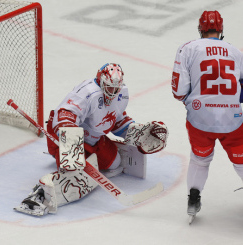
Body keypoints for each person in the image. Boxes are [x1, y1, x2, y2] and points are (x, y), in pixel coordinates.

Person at [15, 63, 168, 216]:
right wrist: (71, 142)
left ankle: (84, 165)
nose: (112, 92)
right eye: (109, 87)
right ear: (101, 81)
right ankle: (40, 195)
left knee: (114, 163)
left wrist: (139, 134)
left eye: (116, 88)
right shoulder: (87, 93)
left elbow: (117, 122)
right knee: (78, 180)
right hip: (65, 137)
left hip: (93, 139)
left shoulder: (121, 93)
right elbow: (64, 116)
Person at [171, 10, 243, 222]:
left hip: (200, 118)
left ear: (200, 28)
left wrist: (193, 101)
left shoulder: (187, 48)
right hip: (233, 119)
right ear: (220, 29)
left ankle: (193, 199)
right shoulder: (236, 51)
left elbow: (178, 91)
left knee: (200, 160)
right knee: (241, 161)